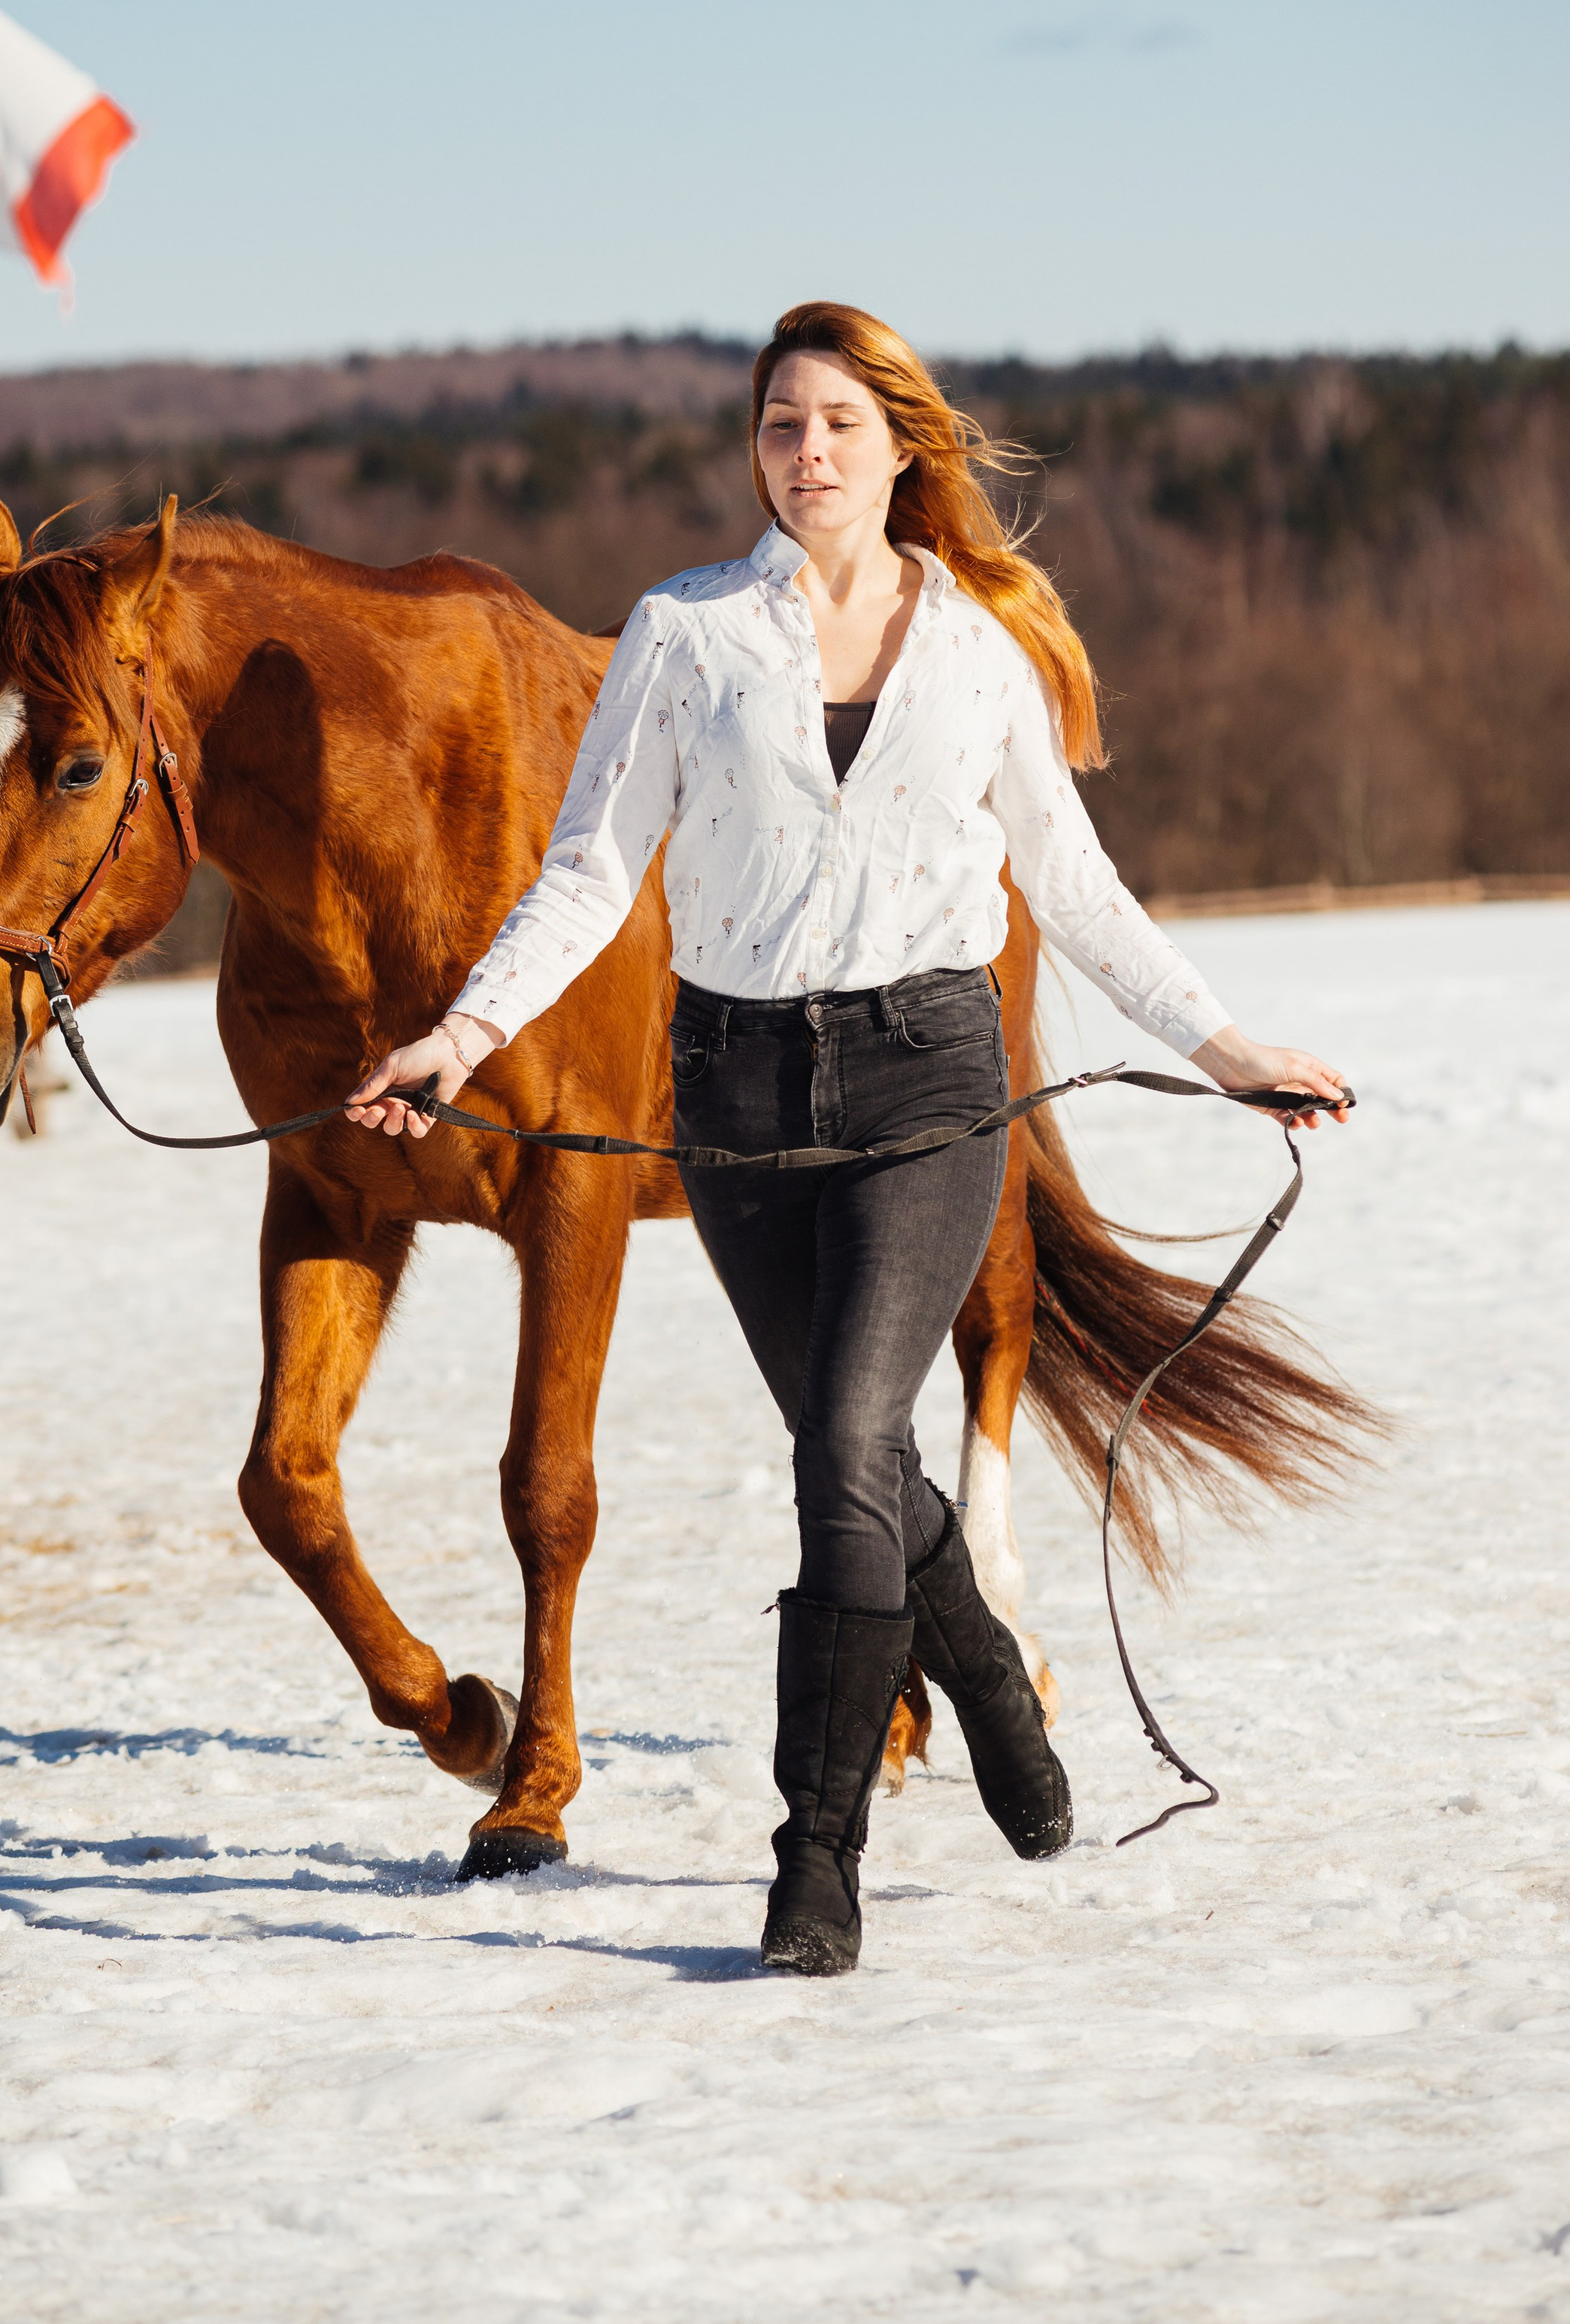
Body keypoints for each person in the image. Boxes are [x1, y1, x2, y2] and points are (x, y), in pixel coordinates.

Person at [348, 301, 1349, 1977]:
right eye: (775, 426)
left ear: (900, 445)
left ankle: (814, 1857)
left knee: (836, 1442)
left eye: (833, 424)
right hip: (730, 1096)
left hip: (928, 1080)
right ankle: (1000, 1713)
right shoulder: (681, 633)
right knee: (862, 1455)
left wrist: (1221, 1043)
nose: (803, 454)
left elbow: (1073, 883)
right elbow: (591, 870)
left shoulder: (977, 650)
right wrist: (461, 1031)